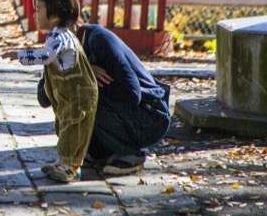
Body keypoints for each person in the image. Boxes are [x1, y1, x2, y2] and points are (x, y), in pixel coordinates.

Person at [2, 0, 98, 183]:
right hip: (69, 91)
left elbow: (45, 56)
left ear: (53, 16)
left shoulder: (60, 36)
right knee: (64, 124)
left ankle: (71, 166)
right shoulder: (56, 34)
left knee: (74, 126)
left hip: (78, 92)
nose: (35, 15)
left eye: (38, 10)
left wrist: (19, 54)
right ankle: (63, 161)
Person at [43, 23, 171, 176]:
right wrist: (74, 69)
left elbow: (132, 94)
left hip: (149, 117)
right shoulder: (62, 51)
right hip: (125, 113)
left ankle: (130, 154)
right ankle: (95, 153)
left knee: (85, 91)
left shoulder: (99, 40)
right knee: (70, 88)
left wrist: (85, 76)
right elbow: (44, 98)